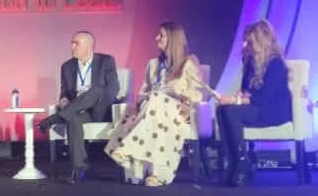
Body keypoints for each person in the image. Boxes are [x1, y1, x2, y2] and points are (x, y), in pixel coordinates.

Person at [104, 22, 204, 186]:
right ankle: (156, 176)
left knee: (158, 100)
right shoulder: (153, 64)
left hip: (177, 110)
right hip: (153, 109)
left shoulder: (188, 63)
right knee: (155, 102)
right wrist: (150, 96)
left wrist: (178, 94)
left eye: (161, 35)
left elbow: (198, 93)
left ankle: (126, 150)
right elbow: (143, 92)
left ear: (172, 39)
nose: (156, 38)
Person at [216, 20, 293, 187]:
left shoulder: (276, 64)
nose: (246, 45)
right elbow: (245, 90)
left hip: (273, 111)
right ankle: (233, 160)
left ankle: (242, 163)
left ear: (261, 42)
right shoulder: (250, 62)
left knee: (231, 111)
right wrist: (236, 97)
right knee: (222, 109)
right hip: (256, 108)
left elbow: (264, 98)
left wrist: (234, 101)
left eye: (249, 42)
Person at [37, 31, 120, 184]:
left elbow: (113, 90)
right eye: (72, 43)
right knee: (74, 118)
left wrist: (91, 98)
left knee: (96, 90)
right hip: (78, 110)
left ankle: (56, 118)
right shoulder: (67, 66)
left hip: (100, 109)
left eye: (76, 43)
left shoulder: (106, 61)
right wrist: (63, 100)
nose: (72, 46)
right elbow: (64, 92)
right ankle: (78, 167)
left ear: (89, 46)